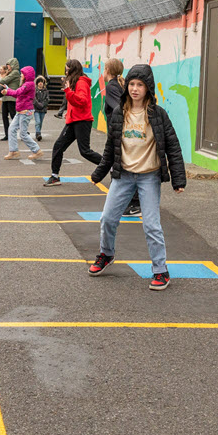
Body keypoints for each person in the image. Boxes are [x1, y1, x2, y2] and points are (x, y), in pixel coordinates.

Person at [88, 65, 186, 290]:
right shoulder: (118, 113)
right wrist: (98, 174)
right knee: (108, 219)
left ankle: (161, 270)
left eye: (139, 85)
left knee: (151, 224)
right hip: (123, 176)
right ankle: (106, 254)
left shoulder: (158, 114)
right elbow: (110, 148)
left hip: (148, 177)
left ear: (147, 87)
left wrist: (178, 180)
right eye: (131, 84)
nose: (134, 89)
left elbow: (172, 146)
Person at [44, 59, 102, 186]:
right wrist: (69, 112)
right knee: (58, 146)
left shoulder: (81, 82)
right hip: (73, 120)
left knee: (85, 151)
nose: (65, 71)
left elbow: (82, 101)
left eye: (67, 69)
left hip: (82, 121)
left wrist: (68, 91)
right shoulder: (75, 82)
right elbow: (74, 103)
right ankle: (54, 176)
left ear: (72, 69)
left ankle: (109, 164)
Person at [102, 58, 140, 218]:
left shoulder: (111, 86)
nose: (103, 72)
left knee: (121, 168)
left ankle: (134, 203)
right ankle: (126, 202)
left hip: (120, 134)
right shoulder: (118, 84)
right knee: (121, 167)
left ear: (108, 71)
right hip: (122, 133)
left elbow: (120, 107)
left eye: (104, 69)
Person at [1, 65, 42, 160]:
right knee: (11, 129)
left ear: (27, 75)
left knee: (23, 134)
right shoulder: (25, 84)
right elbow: (17, 94)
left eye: (22, 74)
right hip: (20, 112)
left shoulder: (28, 84)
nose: (21, 75)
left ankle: (37, 150)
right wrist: (8, 89)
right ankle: (13, 151)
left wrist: (7, 91)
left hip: (25, 112)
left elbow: (17, 93)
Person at [0, 58, 21, 141]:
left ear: (13, 65)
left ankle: (23, 131)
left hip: (12, 98)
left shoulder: (15, 73)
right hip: (6, 97)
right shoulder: (10, 72)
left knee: (13, 116)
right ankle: (7, 134)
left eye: (9, 66)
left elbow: (5, 80)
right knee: (4, 117)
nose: (8, 67)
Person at [33, 75, 49, 143]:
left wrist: (43, 104)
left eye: (41, 82)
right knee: (38, 121)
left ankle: (38, 132)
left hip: (43, 109)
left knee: (41, 122)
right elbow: (34, 99)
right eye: (39, 82)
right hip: (36, 109)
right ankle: (38, 133)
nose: (40, 83)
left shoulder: (46, 91)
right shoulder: (35, 91)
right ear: (36, 83)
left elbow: (47, 99)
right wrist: (38, 104)